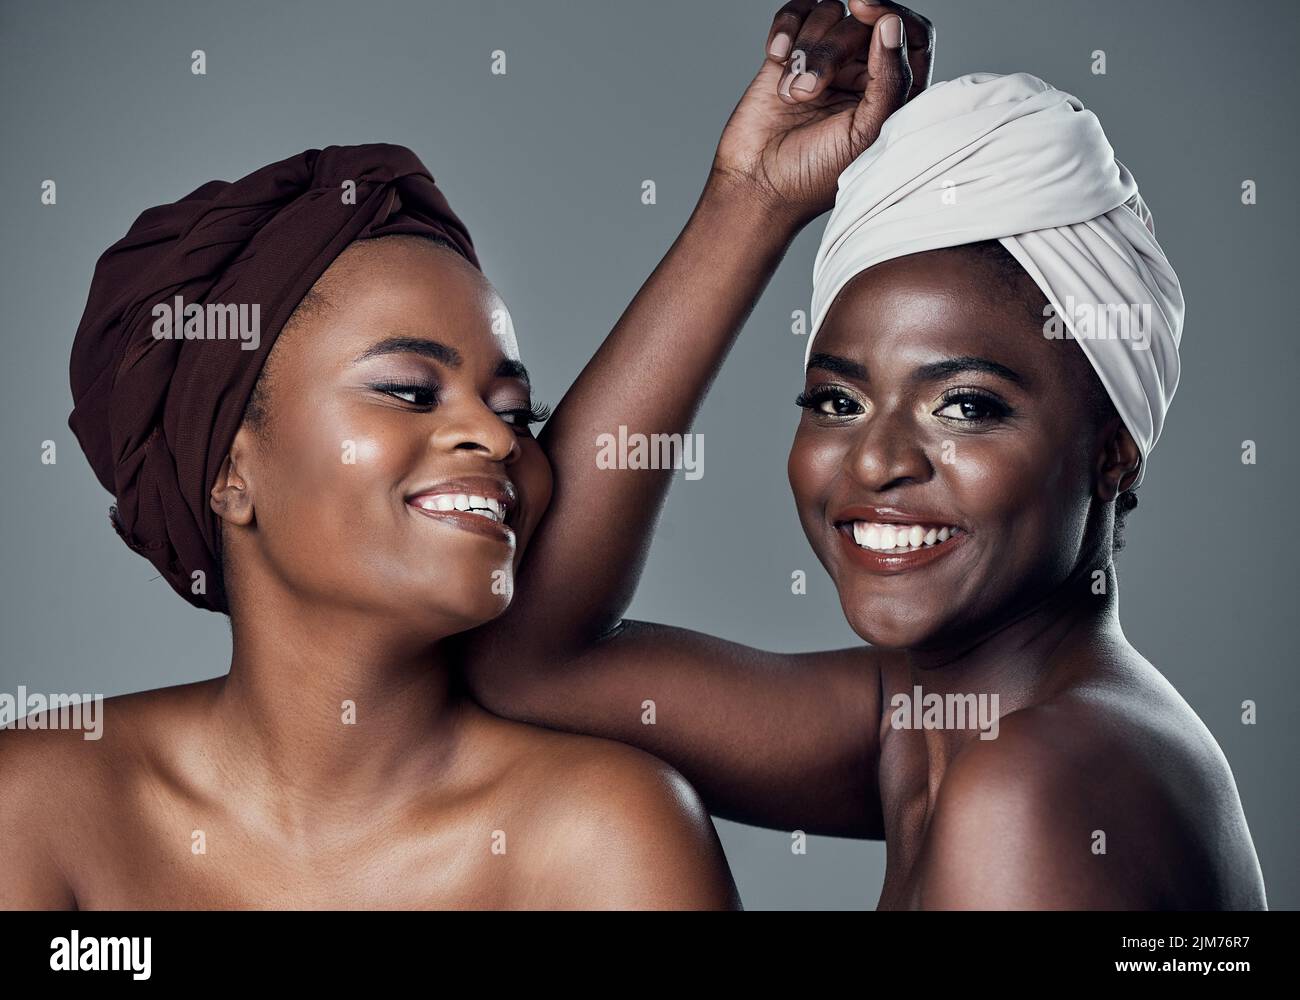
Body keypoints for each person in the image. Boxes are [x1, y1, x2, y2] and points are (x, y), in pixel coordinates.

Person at [458, 2, 1268, 909]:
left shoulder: (1033, 785)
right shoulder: (931, 717)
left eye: (965, 406)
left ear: (1114, 454)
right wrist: (753, 200)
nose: (876, 460)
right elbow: (529, 662)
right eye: (837, 402)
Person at [0, 145, 743, 910]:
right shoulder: (39, 805)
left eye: (517, 411)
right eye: (409, 392)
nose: (496, 438)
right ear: (230, 475)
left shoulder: (607, 833)